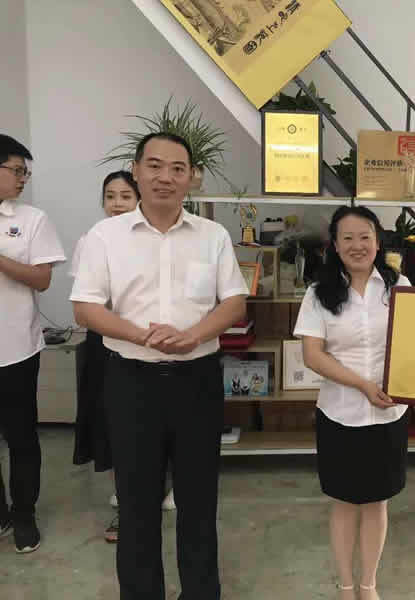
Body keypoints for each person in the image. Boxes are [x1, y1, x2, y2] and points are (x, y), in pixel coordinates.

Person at [70, 132, 248, 599]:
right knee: (137, 504)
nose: (164, 177)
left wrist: (194, 335)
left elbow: (234, 302)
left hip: (197, 382)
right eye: (154, 165)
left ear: (192, 177)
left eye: (176, 168)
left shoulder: (212, 236)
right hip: (131, 382)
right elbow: (85, 308)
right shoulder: (105, 237)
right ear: (136, 170)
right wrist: (141, 336)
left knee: (198, 501)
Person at [293, 206, 410, 600]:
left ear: (378, 241)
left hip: (389, 412)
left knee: (377, 502)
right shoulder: (318, 294)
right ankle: (346, 585)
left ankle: (368, 584)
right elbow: (313, 355)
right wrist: (362, 385)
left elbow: (414, 342)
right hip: (340, 413)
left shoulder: (399, 286)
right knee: (344, 502)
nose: (358, 245)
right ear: (335, 244)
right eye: (348, 238)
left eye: (365, 237)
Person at [0, 134, 66, 553]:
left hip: (15, 350)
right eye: (16, 170)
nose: (23, 178)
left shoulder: (31, 219)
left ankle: (24, 512)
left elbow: (42, 278)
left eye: (25, 172)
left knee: (21, 437)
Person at [68, 171, 139, 543]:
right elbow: (84, 306)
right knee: (114, 425)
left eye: (125, 196)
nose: (117, 204)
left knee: (155, 423)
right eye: (110, 196)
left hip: (153, 341)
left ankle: (162, 487)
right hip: (106, 343)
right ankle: (124, 505)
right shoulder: (91, 240)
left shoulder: (152, 238)